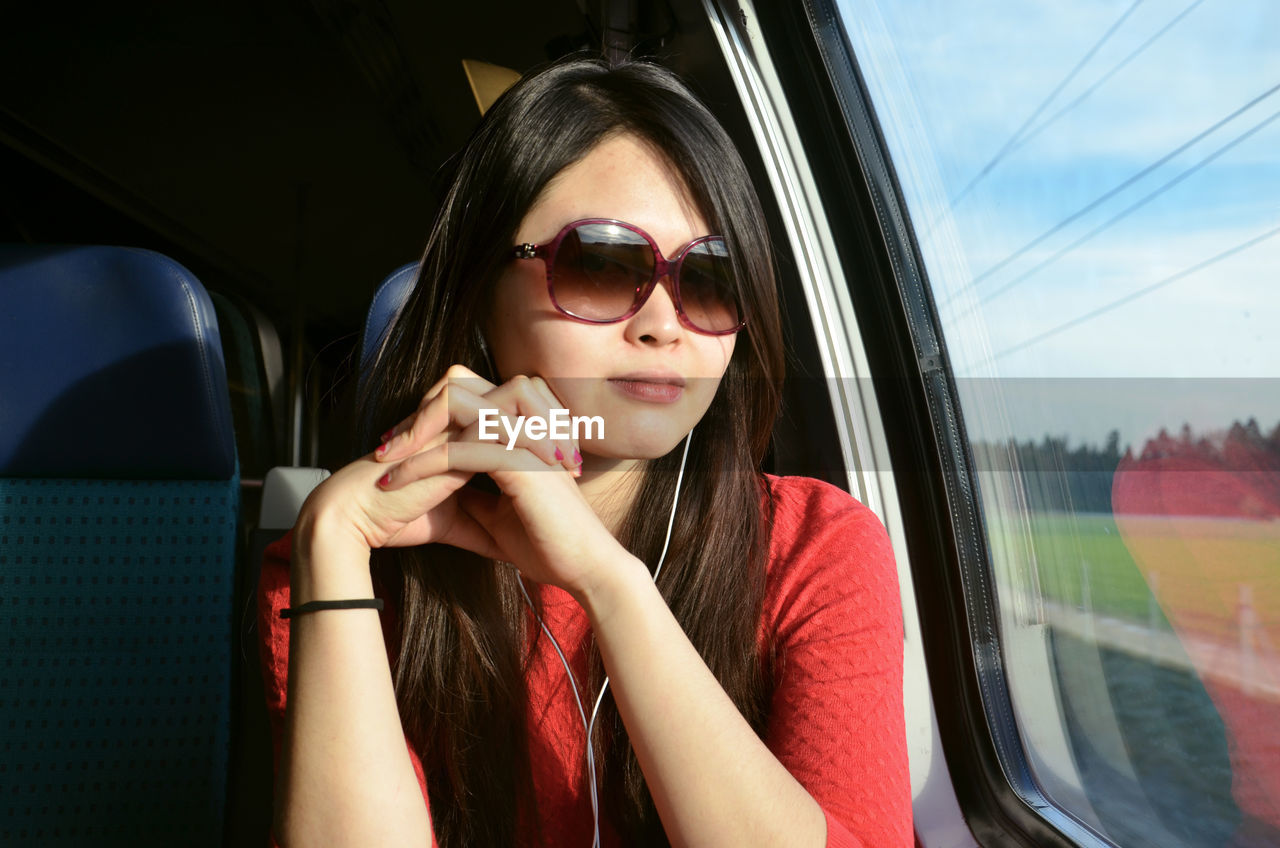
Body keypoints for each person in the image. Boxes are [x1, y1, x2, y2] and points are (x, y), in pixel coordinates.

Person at [258, 56, 911, 847]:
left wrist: (608, 583)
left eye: (712, 279)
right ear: (475, 292)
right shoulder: (352, 559)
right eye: (602, 265)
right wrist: (333, 540)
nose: (665, 324)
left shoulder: (817, 548)